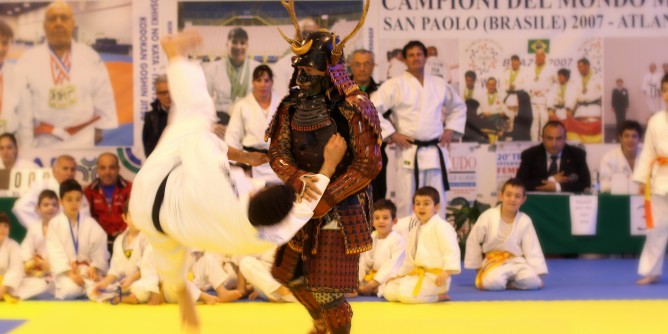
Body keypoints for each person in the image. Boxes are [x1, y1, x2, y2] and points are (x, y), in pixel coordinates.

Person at [130, 31, 346, 331]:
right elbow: (306, 205)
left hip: (157, 181)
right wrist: (330, 164)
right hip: (157, 216)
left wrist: (242, 157)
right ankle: (181, 291)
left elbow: (200, 140)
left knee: (197, 115)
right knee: (167, 244)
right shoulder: (269, 234)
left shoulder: (221, 188)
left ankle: (174, 54)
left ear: (254, 196)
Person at [267, 2, 381, 331]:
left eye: (312, 73)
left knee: (328, 289)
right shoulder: (290, 107)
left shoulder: (353, 106)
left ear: (330, 71)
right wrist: (300, 179)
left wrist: (329, 196)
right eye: (301, 71)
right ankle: (320, 324)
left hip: (342, 206)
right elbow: (278, 152)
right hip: (303, 200)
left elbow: (368, 163)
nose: (303, 79)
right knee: (287, 274)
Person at [372, 40, 466, 218]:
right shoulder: (395, 84)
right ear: (404, 60)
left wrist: (451, 128)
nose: (416, 58)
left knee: (437, 204)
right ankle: (406, 245)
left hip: (434, 152)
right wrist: (391, 133)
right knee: (407, 204)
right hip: (409, 151)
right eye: (411, 55)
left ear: (425, 58)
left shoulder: (439, 84)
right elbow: (371, 108)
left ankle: (436, 244)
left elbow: (458, 107)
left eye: (419, 54)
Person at [14, 1, 117, 148]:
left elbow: (102, 93)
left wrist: (100, 126)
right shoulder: (27, 60)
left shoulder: (90, 56)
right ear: (44, 26)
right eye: (52, 19)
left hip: (82, 137)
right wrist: (25, 138)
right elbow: (20, 103)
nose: (58, 23)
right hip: (43, 139)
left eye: (64, 18)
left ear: (72, 23)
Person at [465, 178, 547, 290]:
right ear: (501, 196)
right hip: (493, 262)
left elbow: (532, 248)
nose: (512, 199)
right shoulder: (487, 216)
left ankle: (510, 283)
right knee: (492, 283)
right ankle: (506, 282)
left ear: (523, 199)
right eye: (508, 195)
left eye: (517, 196)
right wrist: (479, 269)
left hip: (516, 262)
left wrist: (537, 273)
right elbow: (473, 241)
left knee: (532, 282)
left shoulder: (525, 220)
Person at [384, 186, 460, 303]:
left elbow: (451, 250)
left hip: (436, 278)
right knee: (389, 290)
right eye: (418, 204)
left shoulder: (442, 226)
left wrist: (447, 272)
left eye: (426, 203)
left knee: (405, 294)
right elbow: (410, 258)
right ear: (413, 207)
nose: (421, 207)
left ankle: (438, 296)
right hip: (418, 275)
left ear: (437, 207)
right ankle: (421, 294)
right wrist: (400, 275)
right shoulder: (415, 229)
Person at [46, 179, 109, 300]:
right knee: (70, 291)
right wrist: (70, 274)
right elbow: (55, 252)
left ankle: (87, 287)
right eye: (69, 199)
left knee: (99, 289)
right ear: (61, 201)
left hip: (87, 270)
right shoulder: (55, 224)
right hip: (66, 272)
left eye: (78, 199)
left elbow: (100, 250)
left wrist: (94, 268)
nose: (74, 204)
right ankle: (61, 287)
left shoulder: (90, 223)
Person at [632, 73, 668, 285]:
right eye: (665, 90)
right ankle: (652, 271)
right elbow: (647, 153)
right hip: (660, 180)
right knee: (656, 228)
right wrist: (642, 181)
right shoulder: (655, 121)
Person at [225, 65, 281, 184]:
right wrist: (238, 162)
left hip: (278, 162)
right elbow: (232, 137)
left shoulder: (282, 104)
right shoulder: (242, 105)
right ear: (252, 83)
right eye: (258, 80)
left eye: (266, 80)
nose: (262, 84)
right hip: (250, 163)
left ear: (272, 82)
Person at [89, 199, 153, 304]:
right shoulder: (119, 240)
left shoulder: (147, 238)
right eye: (132, 216)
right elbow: (115, 270)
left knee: (142, 290)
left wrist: (132, 279)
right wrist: (103, 284)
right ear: (124, 218)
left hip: (141, 280)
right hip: (125, 282)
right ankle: (125, 296)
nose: (137, 220)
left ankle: (129, 297)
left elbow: (148, 267)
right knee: (93, 292)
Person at [13, 154, 90, 229]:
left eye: (72, 169)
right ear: (54, 171)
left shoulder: (76, 189)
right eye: (65, 169)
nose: (69, 173)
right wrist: (41, 228)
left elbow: (85, 213)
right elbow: (20, 207)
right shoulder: (41, 186)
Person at [349, 49, 387, 201]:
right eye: (357, 64)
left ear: (373, 66)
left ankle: (376, 225)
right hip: (349, 153)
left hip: (376, 152)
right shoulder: (338, 92)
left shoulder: (383, 92)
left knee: (377, 196)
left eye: (366, 64)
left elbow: (388, 123)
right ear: (350, 66)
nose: (362, 68)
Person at [516, 121, 591, 193]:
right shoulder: (530, 155)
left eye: (558, 138)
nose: (554, 144)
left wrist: (557, 187)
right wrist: (551, 179)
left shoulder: (577, 154)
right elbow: (519, 184)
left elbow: (586, 185)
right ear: (542, 138)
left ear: (565, 138)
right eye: (549, 138)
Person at [204, 27, 261, 116]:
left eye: (242, 43)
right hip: (221, 120)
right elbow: (203, 99)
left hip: (248, 119)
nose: (238, 47)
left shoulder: (258, 69)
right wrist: (212, 123)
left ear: (247, 45)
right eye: (234, 42)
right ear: (227, 44)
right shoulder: (213, 68)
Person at [84, 152, 132, 251]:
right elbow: (86, 219)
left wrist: (121, 232)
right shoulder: (89, 191)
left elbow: (134, 216)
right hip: (98, 242)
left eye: (112, 168)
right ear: (97, 170)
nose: (107, 172)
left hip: (126, 239)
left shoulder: (130, 188)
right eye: (103, 168)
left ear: (118, 169)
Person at [358, 199, 405, 297]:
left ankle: (372, 288)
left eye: (385, 218)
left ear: (394, 221)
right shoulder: (372, 237)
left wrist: (373, 284)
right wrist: (359, 279)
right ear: (372, 221)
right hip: (371, 277)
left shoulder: (398, 240)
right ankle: (364, 287)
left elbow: (392, 265)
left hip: (389, 278)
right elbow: (364, 261)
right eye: (377, 218)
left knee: (390, 288)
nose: (381, 221)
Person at [17, 190, 59, 300]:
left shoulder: (64, 229)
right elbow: (25, 249)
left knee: (43, 287)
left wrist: (50, 264)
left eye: (54, 205)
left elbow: (68, 254)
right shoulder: (34, 229)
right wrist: (29, 262)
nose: (50, 208)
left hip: (56, 273)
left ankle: (15, 295)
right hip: (37, 271)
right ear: (38, 208)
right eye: (46, 205)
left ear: (58, 209)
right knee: (18, 278)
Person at [600, 120, 642, 194]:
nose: (630, 140)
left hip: (643, 201)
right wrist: (628, 185)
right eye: (626, 136)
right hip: (617, 201)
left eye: (634, 136)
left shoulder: (647, 157)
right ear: (620, 138)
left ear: (639, 139)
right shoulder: (609, 158)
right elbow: (603, 186)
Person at [570, 58, 603, 143]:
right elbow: (573, 96)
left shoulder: (598, 77)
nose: (579, 69)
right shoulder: (576, 79)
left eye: (581, 67)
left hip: (594, 109)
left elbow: (603, 95)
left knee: (593, 133)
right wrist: (570, 109)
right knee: (579, 133)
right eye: (578, 67)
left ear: (587, 66)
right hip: (580, 110)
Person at [527, 49, 555, 141]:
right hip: (533, 99)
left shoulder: (551, 68)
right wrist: (531, 91)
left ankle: (544, 141)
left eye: (541, 55)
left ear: (544, 57)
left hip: (544, 99)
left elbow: (556, 84)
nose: (539, 57)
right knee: (534, 122)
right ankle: (534, 142)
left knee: (544, 121)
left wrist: (548, 95)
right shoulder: (530, 68)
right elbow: (526, 83)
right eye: (537, 55)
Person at [142, 75, 172, 157]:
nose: (167, 96)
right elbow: (148, 147)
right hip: (160, 164)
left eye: (170, 92)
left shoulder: (186, 114)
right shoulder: (151, 117)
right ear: (157, 95)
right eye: (163, 93)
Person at [0, 21, 20, 134]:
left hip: (10, 137)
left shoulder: (17, 73)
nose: (1, 48)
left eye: (5, 43)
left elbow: (23, 114)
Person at [0, 212, 23, 302]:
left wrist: (3, 288)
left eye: (6, 226)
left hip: (7, 284)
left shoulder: (13, 246)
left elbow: (16, 269)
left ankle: (5, 294)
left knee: (39, 284)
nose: (2, 229)